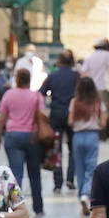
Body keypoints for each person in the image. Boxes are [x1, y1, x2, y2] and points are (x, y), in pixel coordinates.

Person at [0, 68, 47, 215]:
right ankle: (38, 207)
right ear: (29, 80)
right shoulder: (36, 96)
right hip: (32, 137)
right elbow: (42, 115)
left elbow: (1, 118)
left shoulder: (9, 95)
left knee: (16, 173)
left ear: (17, 79)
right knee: (34, 173)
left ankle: (15, 205)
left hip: (13, 136)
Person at [39, 50, 79, 192]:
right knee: (73, 147)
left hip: (56, 114)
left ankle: (57, 182)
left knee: (57, 148)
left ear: (59, 61)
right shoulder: (76, 76)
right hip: (72, 114)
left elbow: (41, 93)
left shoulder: (53, 76)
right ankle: (70, 178)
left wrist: (44, 111)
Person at [68, 77, 104, 214]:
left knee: (80, 169)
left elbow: (70, 122)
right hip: (92, 136)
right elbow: (103, 123)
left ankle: (82, 195)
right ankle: (86, 194)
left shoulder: (74, 102)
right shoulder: (97, 103)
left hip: (77, 137)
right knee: (91, 168)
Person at [82, 38, 109, 121]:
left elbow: (84, 73)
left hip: (92, 88)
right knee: (107, 110)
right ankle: (107, 130)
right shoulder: (108, 55)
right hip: (104, 88)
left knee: (94, 109)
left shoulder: (90, 57)